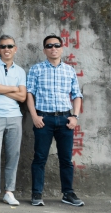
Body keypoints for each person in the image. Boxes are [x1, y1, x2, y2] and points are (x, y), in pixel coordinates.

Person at [26, 34, 84, 207]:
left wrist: (75, 116)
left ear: (61, 48)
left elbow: (77, 95)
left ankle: (68, 193)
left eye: (56, 45)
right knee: (40, 158)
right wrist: (34, 116)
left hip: (66, 120)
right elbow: (30, 94)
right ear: (44, 50)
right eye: (49, 46)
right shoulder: (36, 69)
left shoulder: (69, 70)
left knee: (66, 159)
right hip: (44, 120)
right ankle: (36, 193)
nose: (53, 48)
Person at [0, 34, 27, 207]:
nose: (6, 49)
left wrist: (1, 89)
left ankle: (9, 192)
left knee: (13, 155)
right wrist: (14, 88)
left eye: (10, 46)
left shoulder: (20, 71)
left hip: (15, 116)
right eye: (3, 46)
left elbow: (23, 97)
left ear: (15, 49)